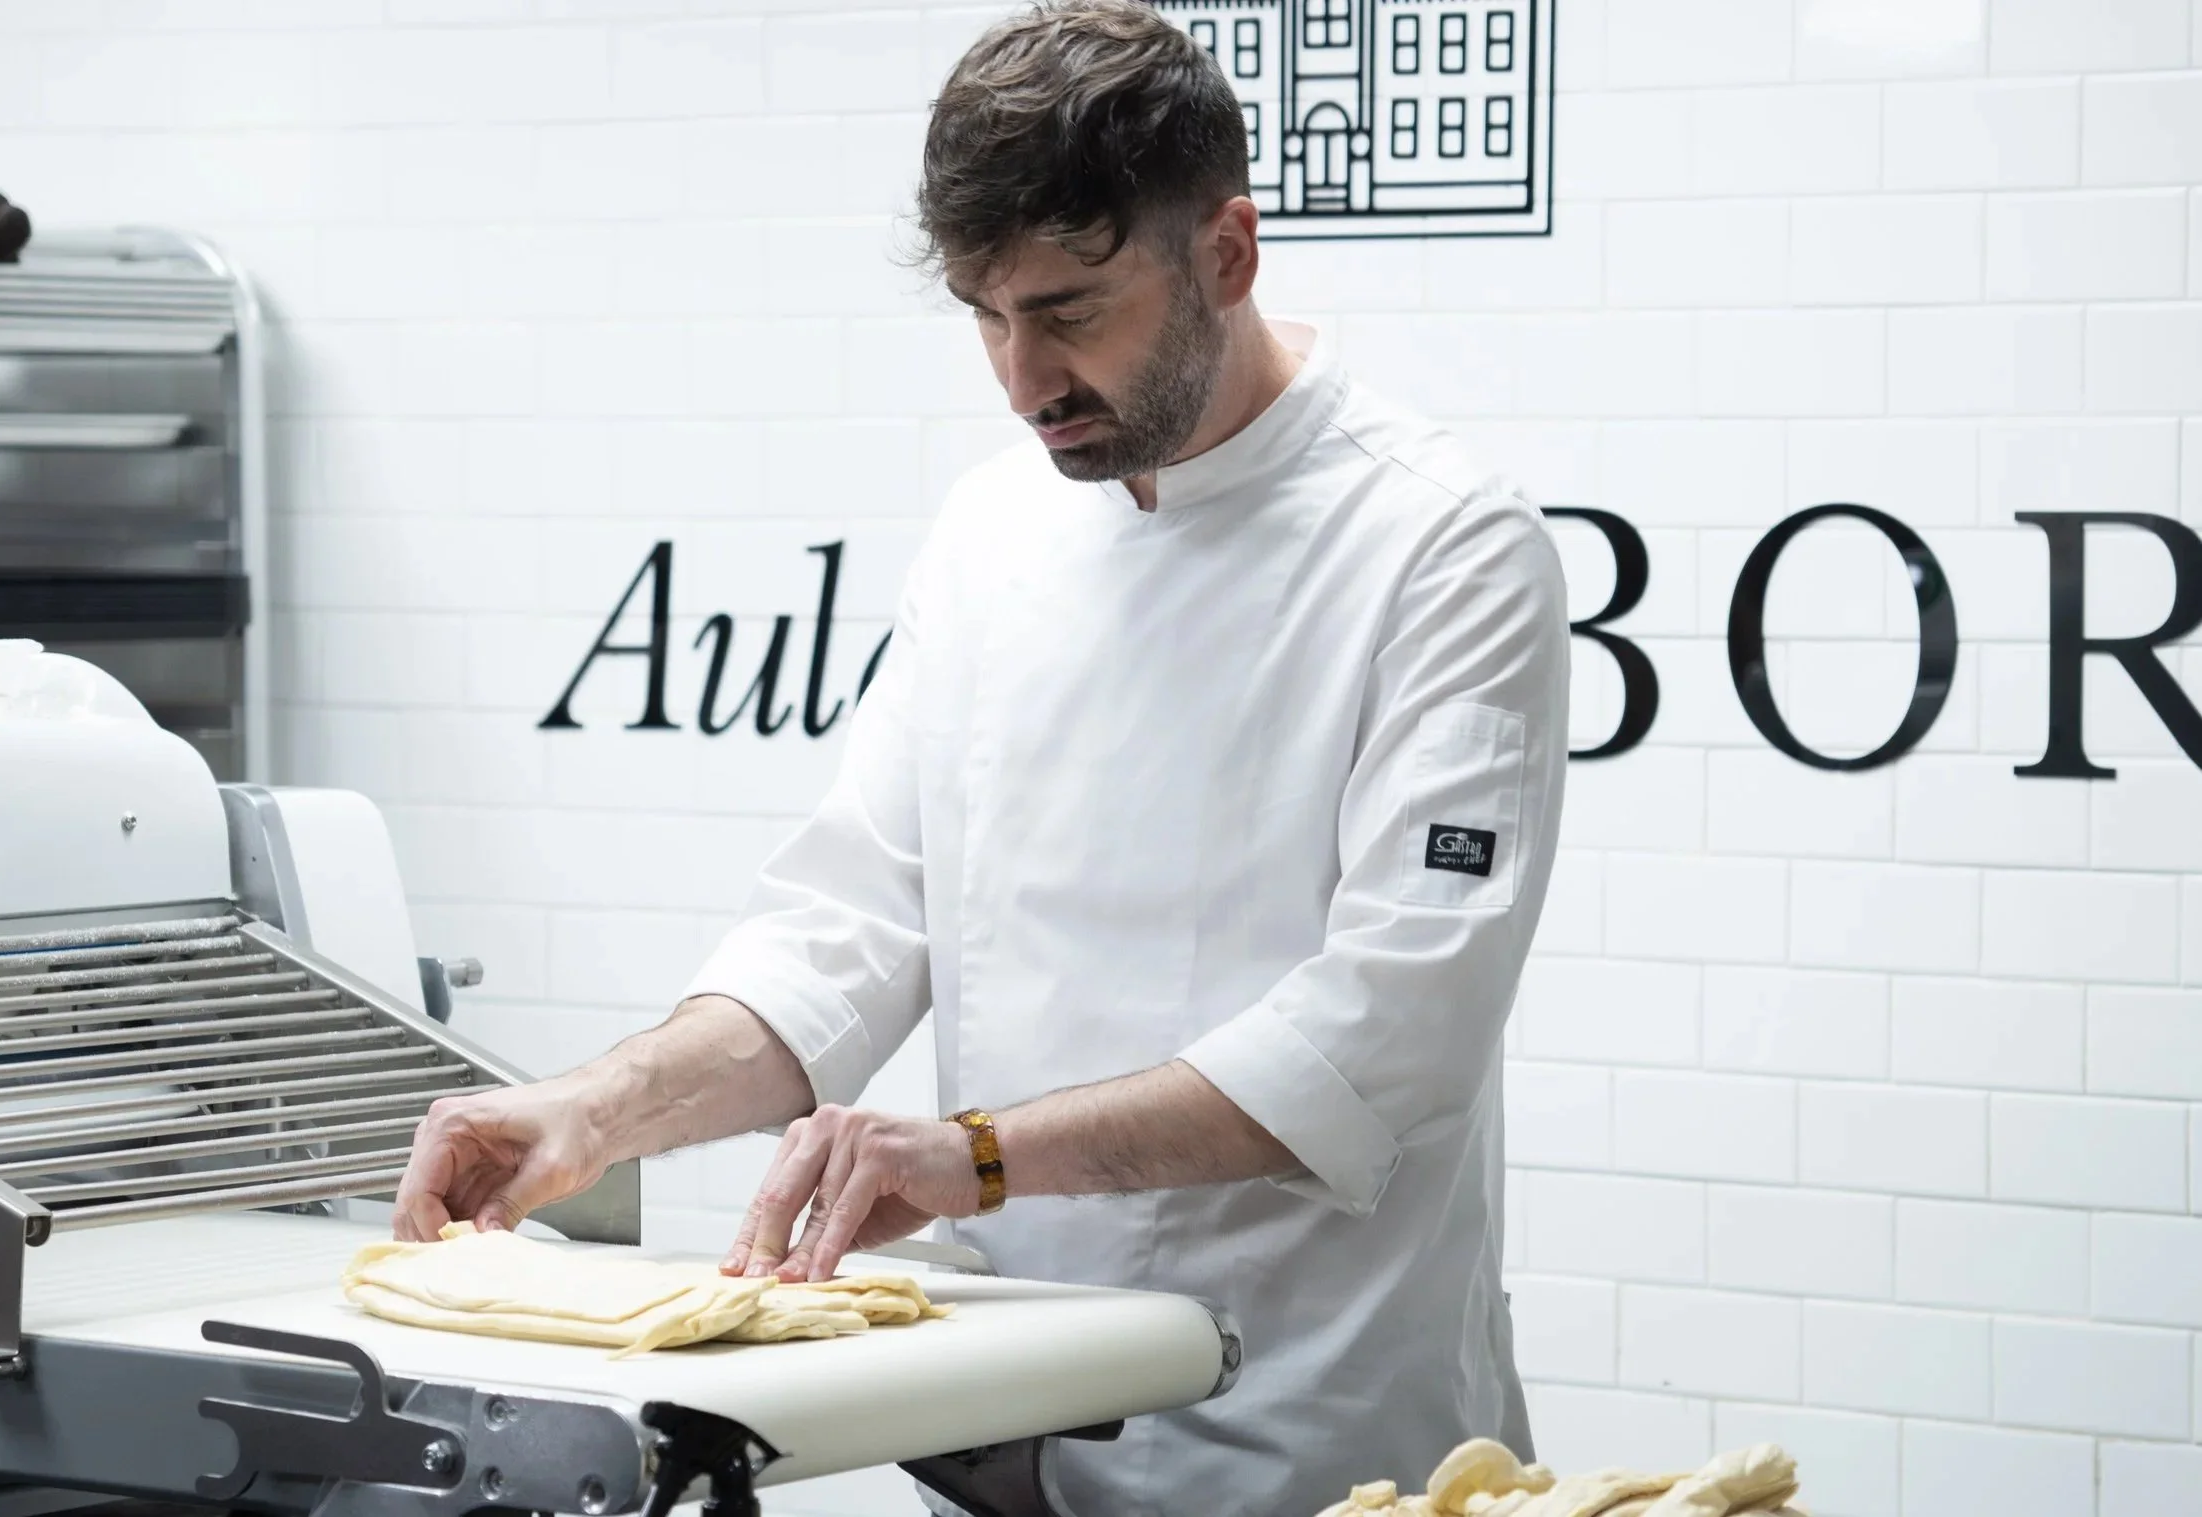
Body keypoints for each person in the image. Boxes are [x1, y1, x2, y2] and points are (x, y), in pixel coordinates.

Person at [393, 3, 1569, 1512]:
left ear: (1227, 251)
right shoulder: (993, 533)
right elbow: (848, 934)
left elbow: (1392, 1032)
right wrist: (586, 1112)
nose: (1024, 379)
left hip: (1302, 1429)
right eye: (985, 314)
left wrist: (978, 1159)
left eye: (1071, 310)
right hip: (1005, 1418)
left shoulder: (1441, 546)